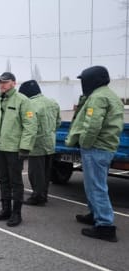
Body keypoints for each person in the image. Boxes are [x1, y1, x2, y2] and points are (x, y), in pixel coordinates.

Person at [65, 65, 124, 242]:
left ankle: (105, 226)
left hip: (96, 148)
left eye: (83, 80)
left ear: (92, 80)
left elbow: (92, 126)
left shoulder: (98, 97)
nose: (83, 83)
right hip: (104, 148)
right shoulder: (109, 95)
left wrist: (84, 144)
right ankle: (95, 214)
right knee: (94, 185)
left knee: (96, 187)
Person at [0, 72, 37, 227]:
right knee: (3, 180)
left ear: (14, 83)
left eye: (5, 82)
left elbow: (30, 125)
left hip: (14, 149)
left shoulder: (22, 101)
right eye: (0, 82)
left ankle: (16, 213)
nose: (2, 85)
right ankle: (6, 209)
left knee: (16, 181)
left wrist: (25, 147)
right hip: (0, 148)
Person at [19, 80, 61, 206]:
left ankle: (37, 197)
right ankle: (44, 194)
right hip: (50, 143)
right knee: (46, 172)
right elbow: (58, 122)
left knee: (35, 173)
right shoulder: (53, 102)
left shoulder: (30, 105)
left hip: (36, 144)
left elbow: (28, 127)